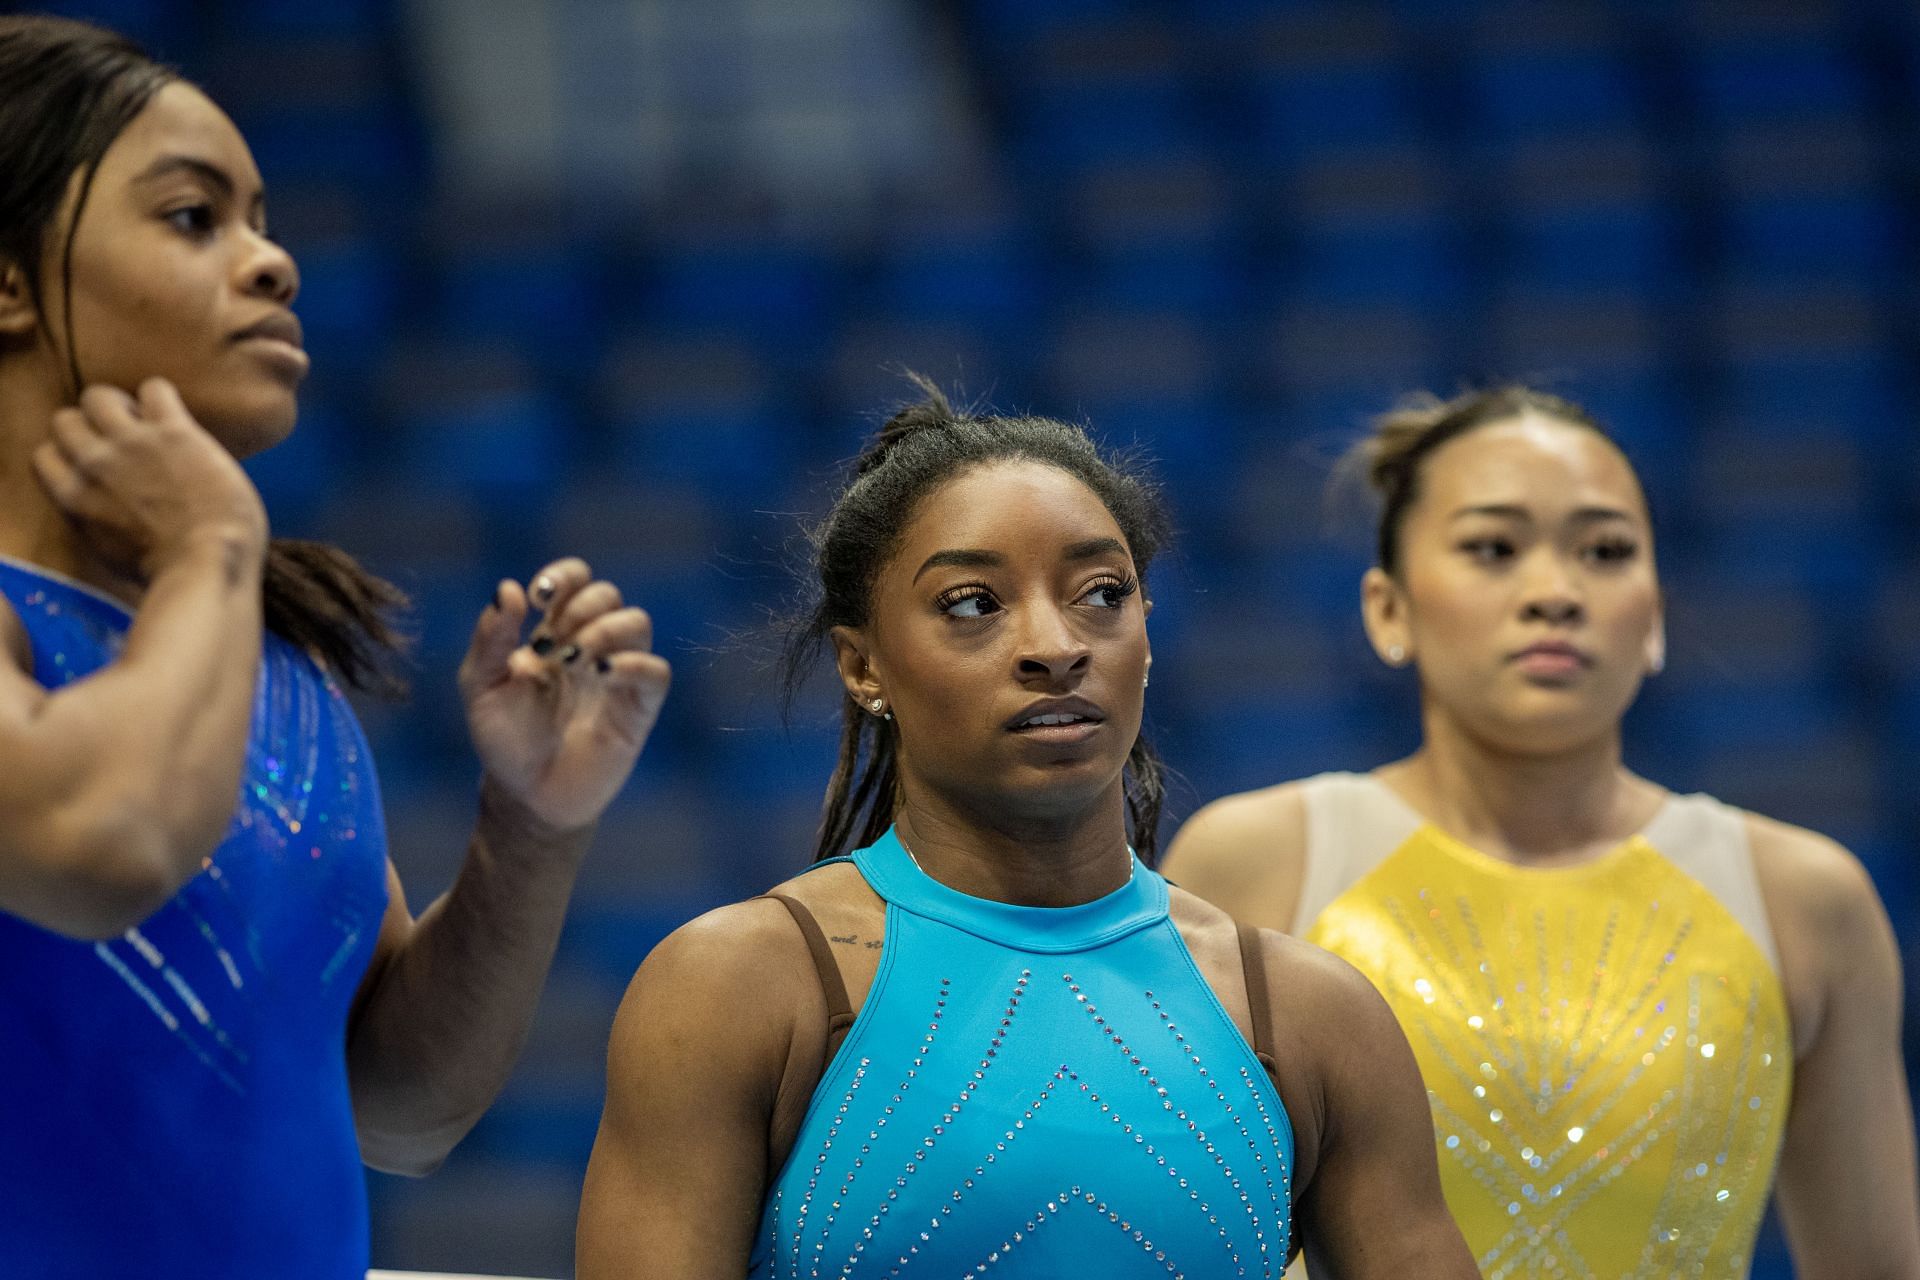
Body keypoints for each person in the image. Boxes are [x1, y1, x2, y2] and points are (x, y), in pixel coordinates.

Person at [0, 16, 672, 1277]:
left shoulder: (260, 664)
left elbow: (400, 1111)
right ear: (10, 280)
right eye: (196, 217)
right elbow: (102, 845)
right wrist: (210, 549)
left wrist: (528, 830)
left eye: (264, 219)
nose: (272, 264)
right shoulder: (185, 602)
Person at [576, 381, 1476, 1279]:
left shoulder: (1313, 1016)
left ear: (1147, 638)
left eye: (1100, 593)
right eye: (973, 603)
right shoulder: (735, 992)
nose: (1055, 643)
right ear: (862, 666)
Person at [1163, 387, 1920, 1278]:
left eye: (1605, 551)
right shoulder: (1257, 860)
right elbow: (1190, 1246)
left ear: (1656, 617)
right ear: (1389, 609)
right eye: (1493, 548)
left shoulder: (1804, 900)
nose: (1555, 592)